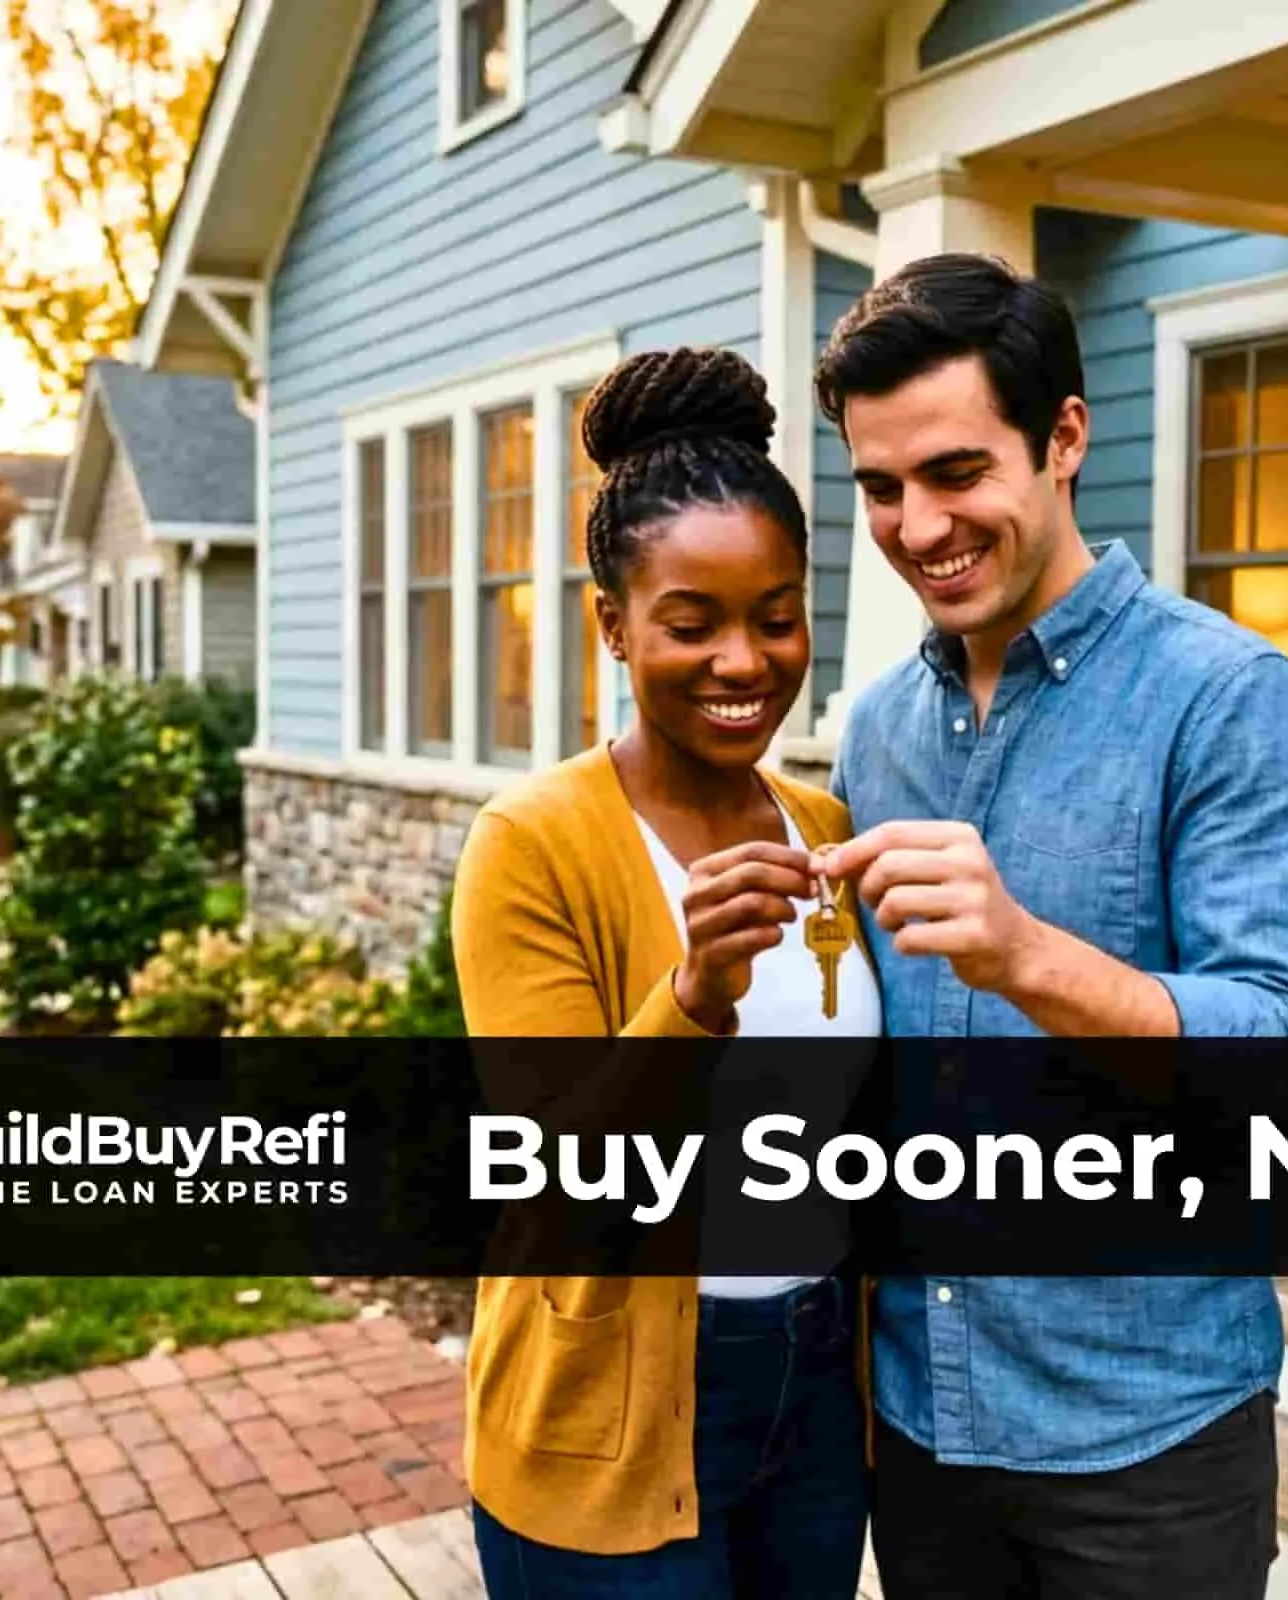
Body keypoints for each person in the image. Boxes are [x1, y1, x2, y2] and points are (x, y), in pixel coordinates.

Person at [809, 253, 1288, 1598]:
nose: (917, 525)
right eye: (880, 487)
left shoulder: (1225, 698)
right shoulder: (877, 729)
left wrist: (1027, 956)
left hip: (1147, 1434)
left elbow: (1285, 1052)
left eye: (955, 472)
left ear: (1063, 438)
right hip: (924, 1420)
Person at [449, 347, 879, 1598]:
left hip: (812, 1385)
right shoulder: (533, 843)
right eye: (691, 624)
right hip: (613, 1397)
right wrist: (690, 1001)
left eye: (778, 614)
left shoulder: (825, 824)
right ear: (614, 626)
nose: (744, 660)